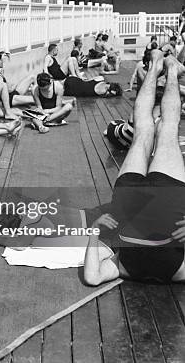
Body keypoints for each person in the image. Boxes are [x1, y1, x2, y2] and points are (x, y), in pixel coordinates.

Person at [83, 50, 185, 285]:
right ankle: (158, 65)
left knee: (166, 129)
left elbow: (92, 277)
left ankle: (167, 69)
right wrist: (94, 231)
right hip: (140, 200)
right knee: (145, 131)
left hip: (160, 199)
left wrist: (94, 232)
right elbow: (92, 277)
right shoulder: (123, 267)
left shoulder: (126, 269)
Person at [0, 52, 34, 117]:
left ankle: (39, 93)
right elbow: (8, 90)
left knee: (32, 77)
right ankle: (42, 109)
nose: (2, 62)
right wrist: (12, 86)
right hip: (9, 99)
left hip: (12, 94)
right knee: (32, 99)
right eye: (1, 61)